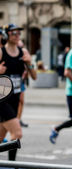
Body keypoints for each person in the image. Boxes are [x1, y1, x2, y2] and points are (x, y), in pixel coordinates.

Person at [0, 24, 36, 160]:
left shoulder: (23, 52)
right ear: (6, 35)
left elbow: (34, 76)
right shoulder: (1, 52)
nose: (16, 36)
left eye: (18, 33)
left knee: (1, 137)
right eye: (13, 33)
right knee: (17, 133)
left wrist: (29, 63)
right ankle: (12, 166)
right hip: (2, 100)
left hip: (14, 99)